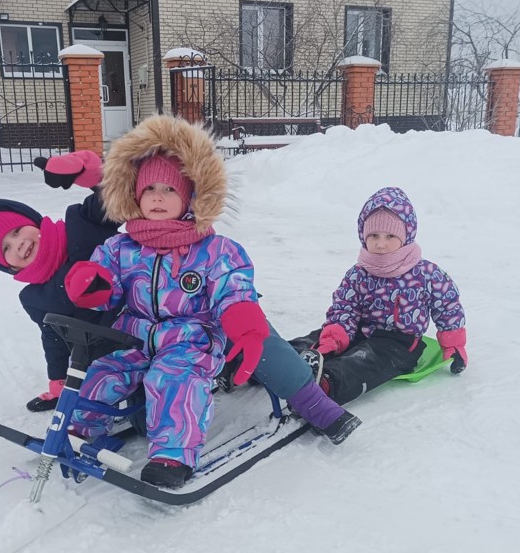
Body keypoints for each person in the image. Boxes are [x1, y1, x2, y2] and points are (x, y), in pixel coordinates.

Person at [61, 115, 359, 489]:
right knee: (103, 371)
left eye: (169, 190)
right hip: (133, 336)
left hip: (190, 340)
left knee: (173, 380)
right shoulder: (121, 247)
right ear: (133, 192)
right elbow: (107, 287)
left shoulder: (214, 250)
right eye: (148, 187)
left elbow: (233, 291)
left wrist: (246, 324)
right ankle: (79, 429)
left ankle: (172, 455)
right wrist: (92, 283)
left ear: (191, 195)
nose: (157, 196)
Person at [0, 150, 119, 412]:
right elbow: (54, 337)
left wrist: (87, 170)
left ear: (33, 222)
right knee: (88, 409)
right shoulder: (35, 298)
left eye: (16, 231)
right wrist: (59, 381)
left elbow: (119, 192)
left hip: (152, 323)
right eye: (6, 249)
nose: (19, 243)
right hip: (107, 358)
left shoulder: (82, 223)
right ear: (8, 266)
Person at [295, 186, 467, 406]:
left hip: (399, 343)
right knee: (319, 338)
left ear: (406, 236)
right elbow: (345, 307)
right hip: (360, 331)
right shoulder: (359, 273)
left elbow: (448, 306)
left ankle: (328, 381)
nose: (380, 243)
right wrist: (335, 337)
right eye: (373, 235)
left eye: (390, 236)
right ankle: (280, 361)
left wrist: (454, 344)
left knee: (365, 361)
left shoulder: (426, 273)